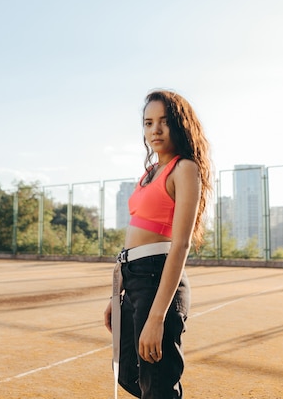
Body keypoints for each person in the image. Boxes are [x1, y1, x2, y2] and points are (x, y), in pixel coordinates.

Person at [104, 89, 212, 399]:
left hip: (158, 277)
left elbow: (180, 245)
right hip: (134, 278)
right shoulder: (150, 172)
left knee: (158, 382)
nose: (155, 130)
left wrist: (157, 317)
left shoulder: (185, 168)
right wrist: (119, 293)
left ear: (181, 125)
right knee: (126, 371)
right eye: (148, 123)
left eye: (164, 122)